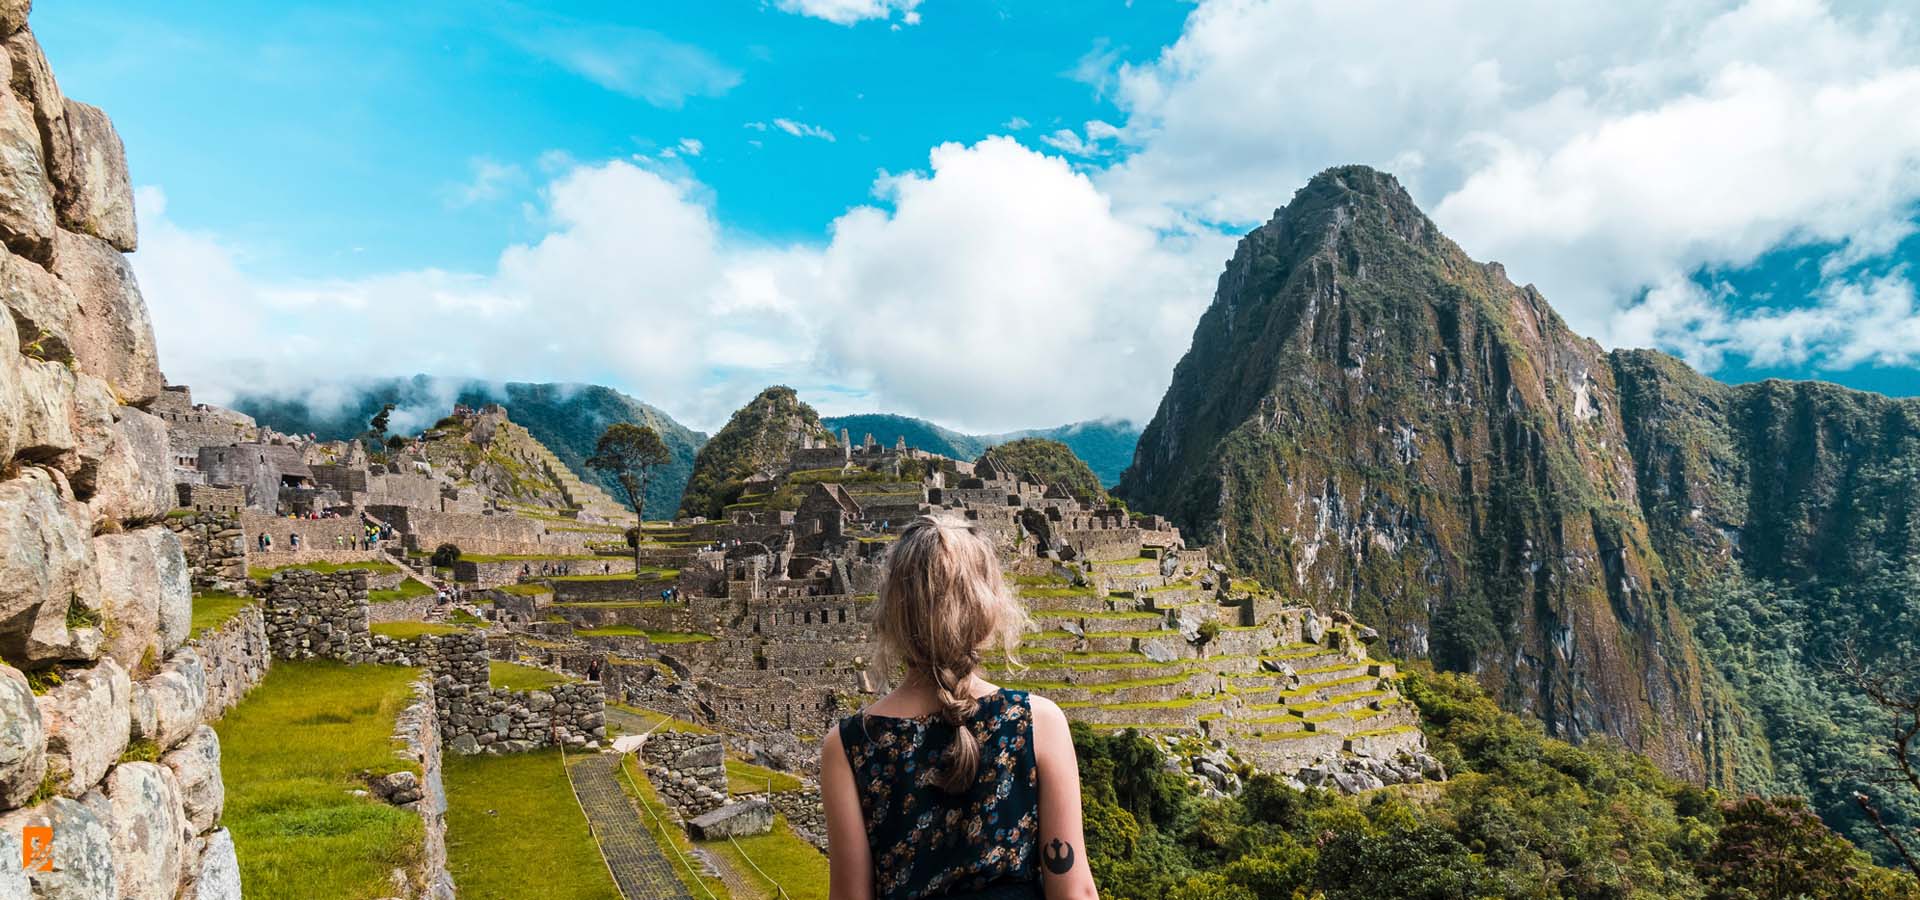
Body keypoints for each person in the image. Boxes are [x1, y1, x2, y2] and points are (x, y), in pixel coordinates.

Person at [822, 516, 1096, 900]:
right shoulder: (1036, 722)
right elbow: (1073, 891)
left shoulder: (850, 745)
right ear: (987, 610)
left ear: (893, 613)